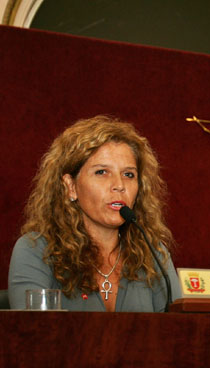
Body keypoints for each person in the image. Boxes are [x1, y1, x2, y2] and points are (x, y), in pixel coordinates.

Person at [8, 115, 181, 311]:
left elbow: (177, 334)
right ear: (70, 186)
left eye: (128, 174)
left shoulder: (152, 253)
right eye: (102, 172)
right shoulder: (37, 251)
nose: (119, 185)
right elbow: (32, 336)